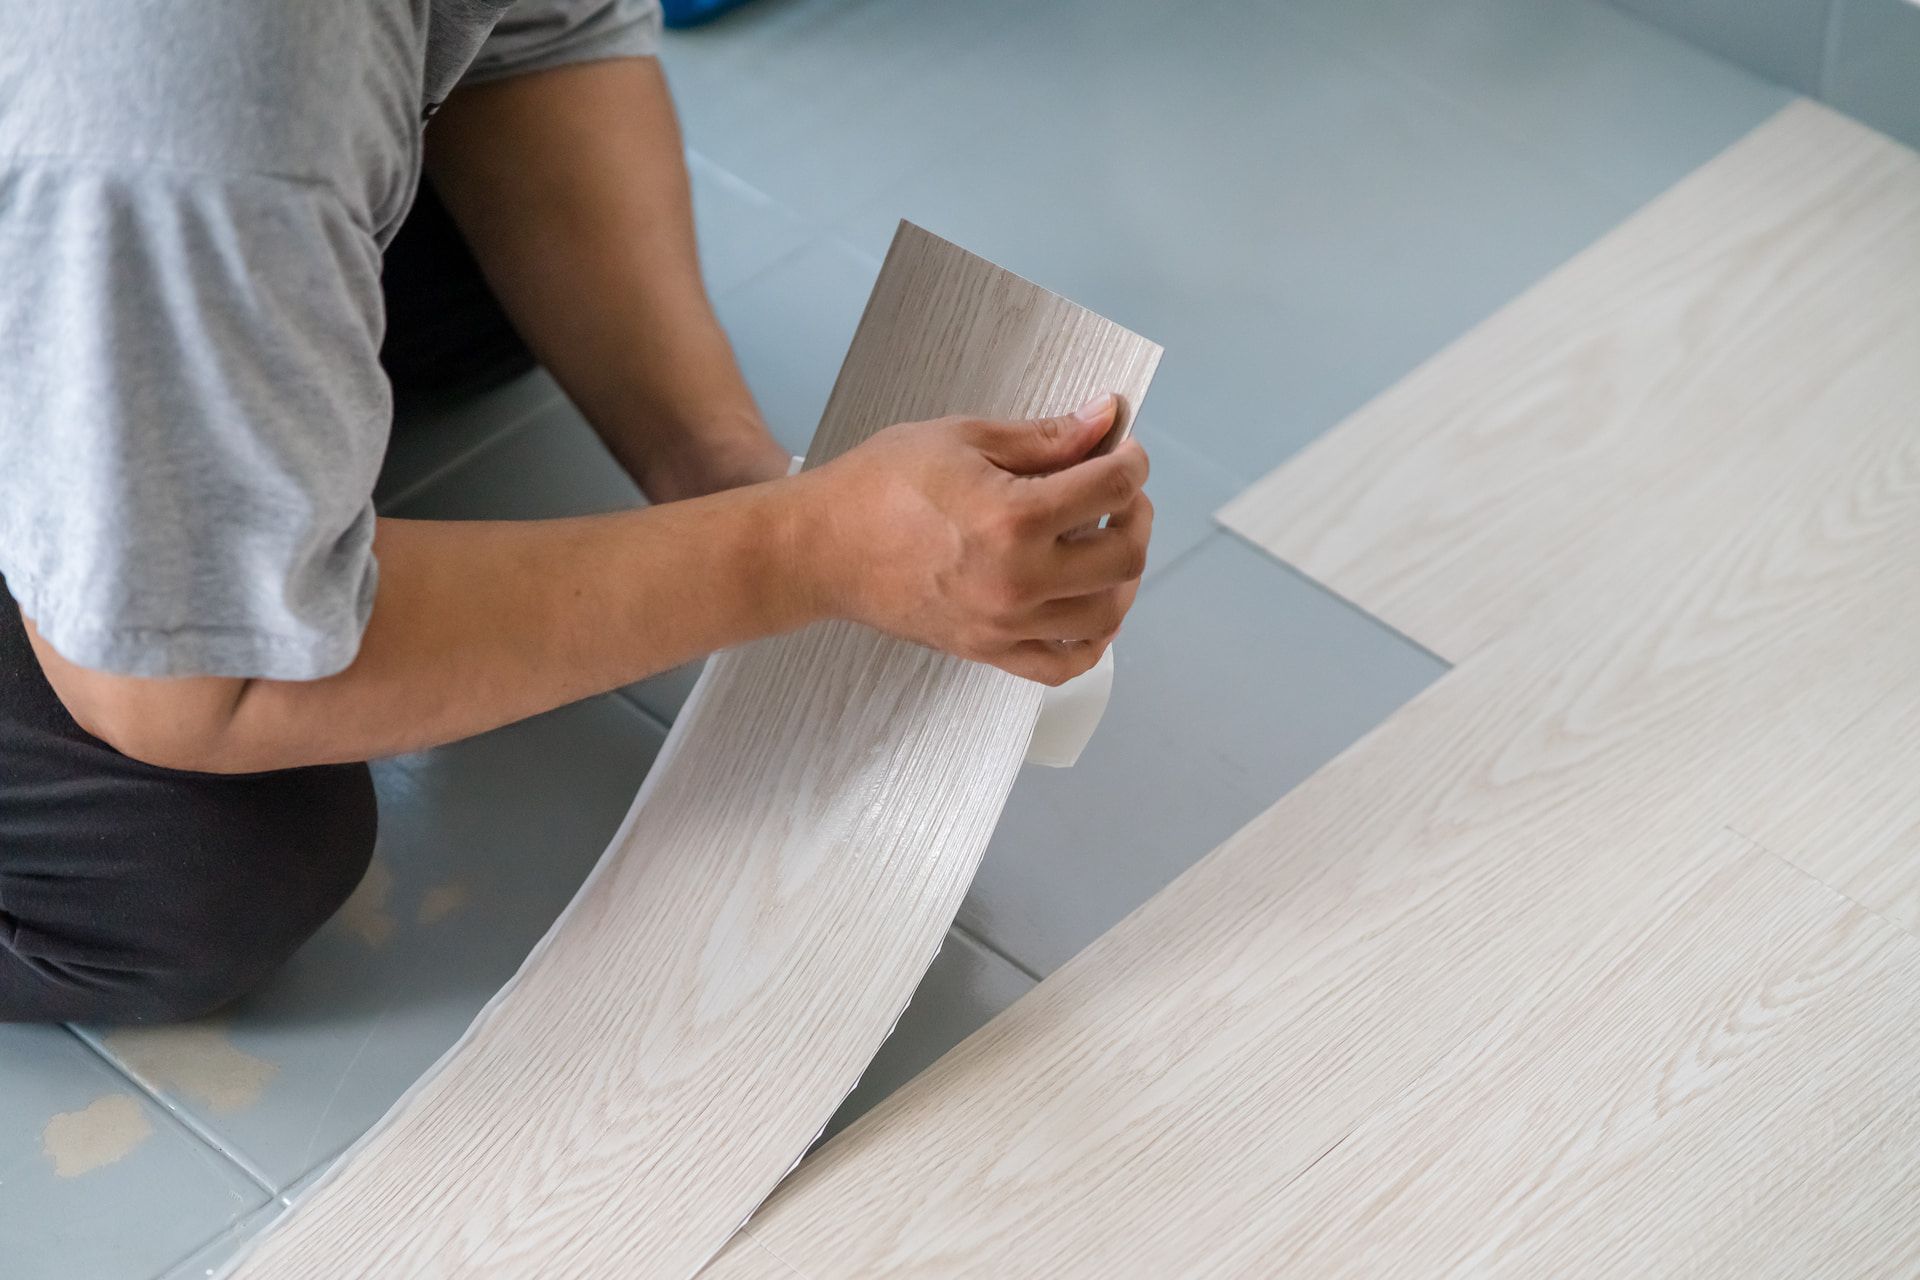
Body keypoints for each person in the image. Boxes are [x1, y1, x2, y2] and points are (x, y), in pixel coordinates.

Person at [0, 0, 1152, 1023]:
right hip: (144, 124)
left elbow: (536, 39)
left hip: (158, 151)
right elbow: (190, 689)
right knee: (193, 867)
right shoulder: (188, 92)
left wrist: (723, 466)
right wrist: (804, 549)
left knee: (458, 235)